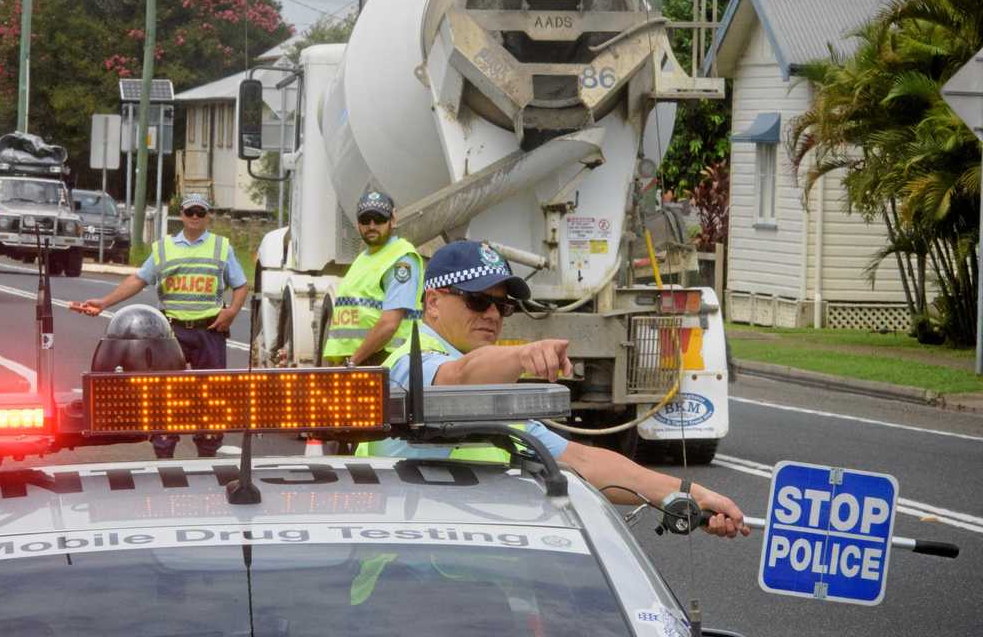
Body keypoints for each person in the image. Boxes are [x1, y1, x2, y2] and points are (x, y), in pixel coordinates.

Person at [371, 239, 750, 539]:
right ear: (433, 303)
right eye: (477, 300)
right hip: (401, 578)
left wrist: (689, 494)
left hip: (477, 579)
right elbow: (456, 378)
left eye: (502, 307)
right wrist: (523, 356)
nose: (491, 314)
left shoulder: (485, 390)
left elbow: (583, 461)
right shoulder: (411, 365)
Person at [71, 193, 248, 458]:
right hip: (171, 332)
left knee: (211, 394)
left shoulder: (222, 247)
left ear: (208, 215)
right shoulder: (164, 248)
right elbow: (138, 280)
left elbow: (241, 285)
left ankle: (208, 452)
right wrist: (105, 303)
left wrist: (231, 312)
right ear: (183, 216)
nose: (196, 218)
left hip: (209, 330)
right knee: (166, 393)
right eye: (191, 212)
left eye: (201, 212)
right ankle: (164, 451)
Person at [321, 190, 423, 367]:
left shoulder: (402, 258)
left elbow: (390, 323)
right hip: (358, 362)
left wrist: (352, 362)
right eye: (365, 219)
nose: (372, 225)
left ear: (393, 220)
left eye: (379, 218)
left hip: (383, 361)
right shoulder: (364, 258)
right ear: (358, 223)